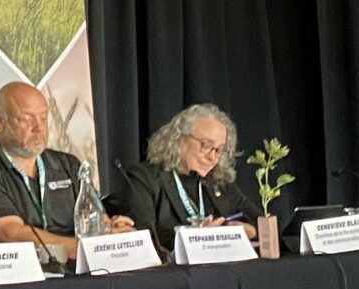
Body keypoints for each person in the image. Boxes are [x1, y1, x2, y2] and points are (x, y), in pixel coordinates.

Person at [0, 81, 131, 264]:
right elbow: (12, 234)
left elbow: (96, 222)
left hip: (74, 276)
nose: (38, 128)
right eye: (26, 120)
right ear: (0, 122)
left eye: (44, 118)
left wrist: (114, 232)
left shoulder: (68, 165)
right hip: (8, 281)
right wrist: (84, 249)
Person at [105, 103, 258, 253]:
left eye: (219, 150)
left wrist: (252, 231)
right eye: (205, 146)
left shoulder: (218, 181)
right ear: (179, 139)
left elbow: (263, 224)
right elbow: (144, 240)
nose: (213, 157)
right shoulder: (143, 178)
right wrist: (197, 238)